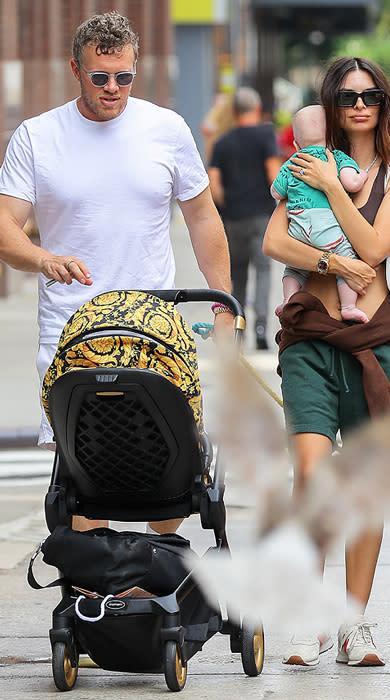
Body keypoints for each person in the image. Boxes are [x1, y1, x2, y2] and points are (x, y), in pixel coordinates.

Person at [0, 11, 232, 533]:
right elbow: (4, 228)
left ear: (135, 69)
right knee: (85, 469)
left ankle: (154, 583)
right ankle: (99, 590)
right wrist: (43, 259)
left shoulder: (166, 129)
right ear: (75, 70)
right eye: (100, 76)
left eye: (123, 77)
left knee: (170, 455)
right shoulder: (38, 137)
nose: (112, 88)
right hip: (70, 329)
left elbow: (202, 217)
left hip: (153, 327)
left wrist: (224, 309)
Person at [262, 56, 390, 667]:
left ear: (385, 104)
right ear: (330, 104)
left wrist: (332, 188)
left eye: (372, 95)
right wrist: (330, 263)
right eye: (348, 95)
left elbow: (376, 246)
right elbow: (276, 241)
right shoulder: (308, 160)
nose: (360, 105)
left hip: (375, 347)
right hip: (309, 339)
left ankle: (355, 624)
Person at [271, 104, 371, 323]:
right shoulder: (335, 157)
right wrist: (362, 175)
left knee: (293, 268)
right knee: (347, 257)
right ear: (332, 137)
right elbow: (351, 183)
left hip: (298, 230)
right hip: (327, 229)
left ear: (296, 143)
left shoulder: (292, 163)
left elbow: (276, 192)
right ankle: (348, 306)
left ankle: (288, 299)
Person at [208, 87, 280, 350]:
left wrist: (228, 204)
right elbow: (274, 173)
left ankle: (239, 327)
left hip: (233, 218)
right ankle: (261, 327)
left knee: (236, 273)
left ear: (234, 111)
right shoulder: (265, 134)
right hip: (261, 215)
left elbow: (213, 182)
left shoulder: (222, 142)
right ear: (257, 109)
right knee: (262, 270)